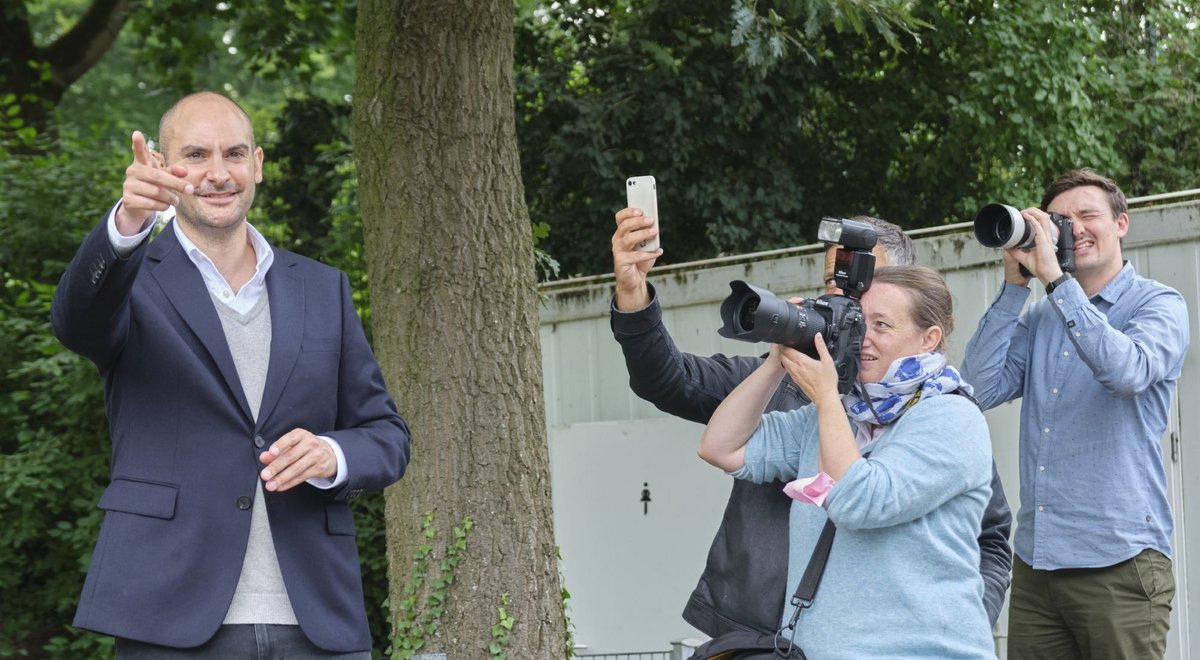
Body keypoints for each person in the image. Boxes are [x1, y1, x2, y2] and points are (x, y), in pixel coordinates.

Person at [51, 91, 411, 658]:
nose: (218, 174)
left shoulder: (322, 288)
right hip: (168, 617)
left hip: (317, 619)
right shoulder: (128, 278)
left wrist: (332, 455)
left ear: (259, 165)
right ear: (164, 168)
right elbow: (75, 322)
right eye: (195, 154)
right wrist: (127, 224)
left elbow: (387, 435)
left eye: (234, 154)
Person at [609, 209, 1013, 638]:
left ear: (905, 284)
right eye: (832, 282)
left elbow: (988, 540)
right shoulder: (789, 382)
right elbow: (670, 383)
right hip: (761, 630)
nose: (844, 297)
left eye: (857, 283)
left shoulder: (942, 412)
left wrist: (961, 627)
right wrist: (633, 292)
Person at [698, 265, 995, 658]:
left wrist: (824, 399)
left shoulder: (951, 418)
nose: (862, 339)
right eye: (857, 323)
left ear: (929, 338)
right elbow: (721, 447)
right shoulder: (842, 415)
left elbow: (860, 501)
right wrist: (776, 361)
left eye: (882, 325)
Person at [961, 168, 1187, 659]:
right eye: (1061, 220)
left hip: (1121, 563)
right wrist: (1015, 286)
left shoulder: (1160, 304)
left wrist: (1057, 282)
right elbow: (975, 389)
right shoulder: (1044, 316)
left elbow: (1126, 372)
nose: (1076, 228)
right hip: (1038, 565)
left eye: (1089, 215)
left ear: (1121, 224)